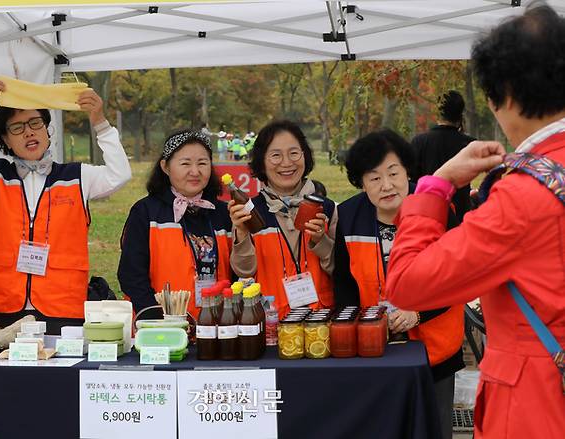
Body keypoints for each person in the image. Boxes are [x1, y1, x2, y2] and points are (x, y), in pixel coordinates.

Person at [387, 4, 565, 438]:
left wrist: (436, 186)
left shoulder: (525, 195)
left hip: (538, 402)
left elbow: (408, 283)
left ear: (500, 94)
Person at [0, 78, 131, 333]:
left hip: (62, 306)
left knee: (61, 371)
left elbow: (119, 173)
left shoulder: (77, 176)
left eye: (35, 124)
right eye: (18, 128)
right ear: (5, 140)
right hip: (4, 304)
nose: (29, 132)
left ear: (47, 130)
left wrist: (99, 122)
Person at [333, 129, 464, 439]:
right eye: (374, 178)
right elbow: (344, 283)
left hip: (434, 349)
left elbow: (456, 280)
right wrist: (359, 328)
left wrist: (418, 313)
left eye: (393, 173)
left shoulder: (439, 209)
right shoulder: (348, 216)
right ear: (361, 183)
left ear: (408, 170)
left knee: (434, 428)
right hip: (374, 349)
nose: (387, 185)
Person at [117, 130, 232, 320]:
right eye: (185, 163)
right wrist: (157, 318)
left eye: (202, 163)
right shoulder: (145, 212)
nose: (195, 172)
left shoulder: (223, 213)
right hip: (164, 327)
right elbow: (131, 275)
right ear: (165, 167)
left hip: (218, 326)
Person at [229, 120, 336, 319]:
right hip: (272, 324)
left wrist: (320, 241)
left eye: (294, 153)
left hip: (321, 325)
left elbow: (339, 271)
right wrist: (242, 233)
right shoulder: (250, 210)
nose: (286, 163)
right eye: (276, 155)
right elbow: (244, 272)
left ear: (305, 156)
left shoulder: (328, 208)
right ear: (261, 161)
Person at [411, 90, 476, 222]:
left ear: (438, 113)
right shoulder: (469, 144)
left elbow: (412, 180)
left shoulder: (419, 141)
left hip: (427, 212)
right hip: (460, 214)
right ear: (460, 114)